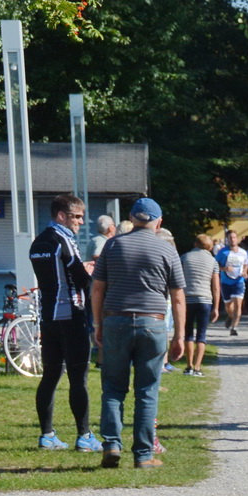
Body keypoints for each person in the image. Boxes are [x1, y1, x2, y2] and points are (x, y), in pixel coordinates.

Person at [91, 198, 187, 468]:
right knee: (147, 390)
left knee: (112, 386)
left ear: (132, 219)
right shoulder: (167, 250)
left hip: (116, 321)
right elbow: (178, 296)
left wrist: (98, 325)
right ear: (159, 222)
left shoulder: (112, 245)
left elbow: (97, 288)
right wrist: (179, 336)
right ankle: (144, 454)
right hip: (153, 323)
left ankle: (111, 444)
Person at [27, 193, 101, 451]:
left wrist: (80, 269)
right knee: (78, 377)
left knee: (50, 376)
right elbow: (80, 279)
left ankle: (47, 435)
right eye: (77, 217)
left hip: (49, 316)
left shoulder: (38, 242)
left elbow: (55, 276)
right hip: (72, 314)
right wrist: (89, 269)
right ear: (62, 216)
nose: (81, 222)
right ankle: (85, 436)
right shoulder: (63, 240)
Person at [180, 233, 221, 376]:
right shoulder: (213, 261)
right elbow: (216, 286)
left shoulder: (184, 258)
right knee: (201, 334)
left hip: (187, 299)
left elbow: (177, 279)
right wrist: (216, 307)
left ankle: (189, 366)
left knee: (188, 333)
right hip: (205, 299)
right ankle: (198, 367)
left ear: (196, 244)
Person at [219, 233, 248, 336]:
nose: (232, 240)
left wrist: (245, 271)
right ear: (227, 239)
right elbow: (216, 265)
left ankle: (234, 327)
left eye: (234, 237)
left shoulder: (243, 252)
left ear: (238, 239)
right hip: (226, 281)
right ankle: (231, 316)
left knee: (238, 305)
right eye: (230, 238)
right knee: (228, 306)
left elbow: (245, 264)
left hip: (239, 281)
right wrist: (224, 269)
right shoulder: (223, 252)